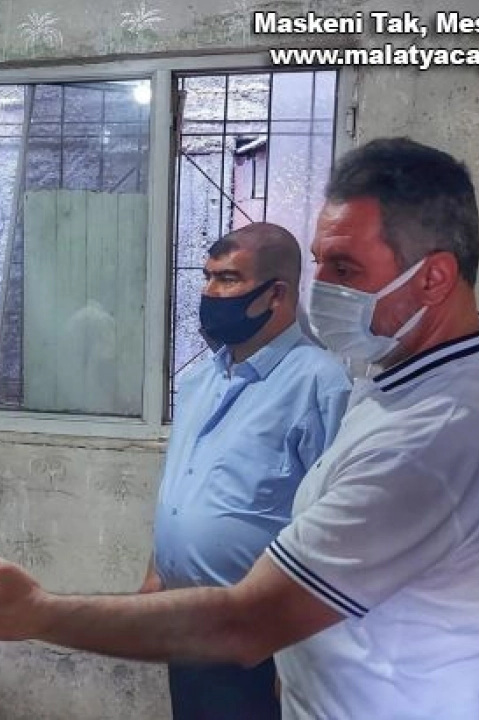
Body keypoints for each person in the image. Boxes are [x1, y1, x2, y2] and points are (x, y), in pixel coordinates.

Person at [0, 137, 479, 719]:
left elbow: (250, 621)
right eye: (320, 262)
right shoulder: (402, 379)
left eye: (344, 269)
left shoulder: (438, 432)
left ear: (435, 278)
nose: (322, 288)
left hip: (273, 649)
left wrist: (39, 614)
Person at [142, 222, 350, 719]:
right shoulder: (201, 381)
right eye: (208, 277)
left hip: (261, 639)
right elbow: (185, 487)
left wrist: (301, 650)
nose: (210, 292)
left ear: (277, 294)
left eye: (229, 279)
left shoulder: (320, 385)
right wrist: (157, 572)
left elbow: (336, 529)